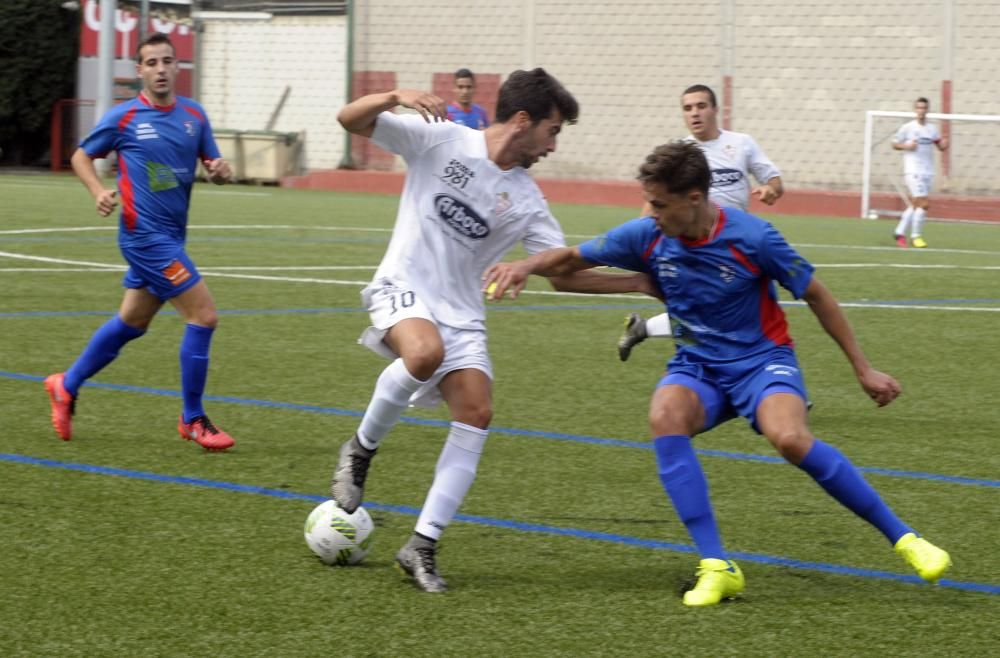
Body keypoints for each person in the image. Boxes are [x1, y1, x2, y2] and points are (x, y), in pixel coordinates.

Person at [483, 140, 951, 607]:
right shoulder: (647, 234)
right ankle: (717, 566)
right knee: (664, 415)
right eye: (648, 201)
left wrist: (863, 369)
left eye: (659, 203)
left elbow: (817, 296)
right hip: (698, 366)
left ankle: (906, 540)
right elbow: (568, 262)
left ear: (694, 198)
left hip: (761, 362)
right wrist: (528, 265)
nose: (650, 212)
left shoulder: (754, 238)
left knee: (788, 438)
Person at [331, 68, 658, 593]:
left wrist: (637, 283)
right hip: (403, 285)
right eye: (552, 131)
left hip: (462, 313)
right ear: (523, 121)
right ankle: (360, 451)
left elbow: (562, 274)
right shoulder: (440, 138)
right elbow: (350, 120)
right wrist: (394, 96)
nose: (552, 146)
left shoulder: (526, 198)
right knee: (423, 354)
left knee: (477, 412)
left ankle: (422, 545)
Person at [43, 32, 235, 451]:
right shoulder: (124, 117)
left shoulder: (194, 115)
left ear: (177, 67)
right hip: (143, 238)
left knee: (132, 323)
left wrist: (221, 171)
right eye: (152, 63)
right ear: (140, 71)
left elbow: (214, 166)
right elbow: (81, 155)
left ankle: (66, 384)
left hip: (171, 235)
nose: (162, 69)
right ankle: (193, 418)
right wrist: (97, 191)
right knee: (203, 317)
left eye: (168, 61)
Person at [617, 84, 784, 361]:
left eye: (701, 106)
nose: (694, 113)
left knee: (738, 311)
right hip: (691, 247)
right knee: (721, 315)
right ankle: (763, 384)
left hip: (737, 243)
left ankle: (643, 328)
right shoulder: (680, 153)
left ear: (715, 110)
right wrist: (638, 237)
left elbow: (774, 181)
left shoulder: (741, 143)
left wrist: (770, 191)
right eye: (687, 108)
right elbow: (656, 197)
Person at [891, 97, 948, 248]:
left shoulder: (932, 129)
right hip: (913, 170)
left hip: (928, 171)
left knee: (915, 205)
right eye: (919, 108)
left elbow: (939, 145)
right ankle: (916, 236)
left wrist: (944, 145)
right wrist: (906, 146)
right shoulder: (908, 128)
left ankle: (899, 232)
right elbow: (894, 144)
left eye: (924, 108)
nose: (921, 111)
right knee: (924, 204)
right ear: (915, 110)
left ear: (927, 110)